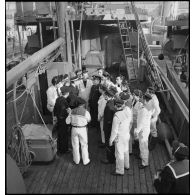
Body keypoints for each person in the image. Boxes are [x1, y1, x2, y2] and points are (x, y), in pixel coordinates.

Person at [109, 97, 133, 176]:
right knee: (126, 150)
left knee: (119, 153)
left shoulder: (116, 116)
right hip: (126, 134)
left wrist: (111, 140)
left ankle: (120, 170)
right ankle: (127, 165)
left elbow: (114, 130)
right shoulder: (127, 112)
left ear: (116, 106)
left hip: (120, 137)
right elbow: (130, 122)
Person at [66, 97, 91, 165]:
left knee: (75, 145)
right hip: (82, 129)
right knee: (84, 145)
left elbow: (67, 122)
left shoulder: (72, 111)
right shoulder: (86, 112)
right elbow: (89, 120)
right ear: (83, 104)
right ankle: (85, 161)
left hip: (74, 129)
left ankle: (76, 160)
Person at [134, 93, 154, 169]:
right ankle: (141, 156)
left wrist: (137, 131)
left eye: (142, 98)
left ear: (145, 100)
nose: (140, 99)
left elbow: (141, 122)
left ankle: (145, 163)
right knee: (142, 145)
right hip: (145, 129)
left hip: (143, 130)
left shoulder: (144, 110)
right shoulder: (148, 107)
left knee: (143, 146)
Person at [53, 86, 72, 155]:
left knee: (60, 135)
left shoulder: (58, 99)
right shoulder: (64, 101)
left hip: (59, 119)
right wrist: (68, 112)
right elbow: (63, 111)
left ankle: (59, 149)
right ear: (67, 93)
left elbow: (55, 108)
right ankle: (64, 150)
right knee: (64, 135)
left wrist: (55, 117)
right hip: (63, 120)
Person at [101, 88, 117, 164]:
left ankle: (109, 159)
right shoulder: (112, 103)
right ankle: (112, 158)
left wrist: (106, 128)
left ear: (108, 96)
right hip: (111, 127)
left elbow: (108, 119)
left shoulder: (108, 106)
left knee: (108, 144)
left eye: (105, 95)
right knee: (112, 144)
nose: (104, 96)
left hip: (108, 128)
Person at [146, 86, 161, 151]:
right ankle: (149, 140)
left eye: (147, 91)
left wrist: (153, 116)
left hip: (152, 118)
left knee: (153, 131)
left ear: (151, 93)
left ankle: (152, 145)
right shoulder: (151, 96)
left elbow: (158, 110)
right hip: (148, 116)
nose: (146, 92)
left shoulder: (154, 100)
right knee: (149, 129)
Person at [129, 89, 143, 154]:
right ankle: (134, 144)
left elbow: (140, 114)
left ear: (137, 96)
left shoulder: (140, 104)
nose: (133, 95)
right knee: (132, 133)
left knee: (137, 135)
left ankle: (138, 149)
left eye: (134, 95)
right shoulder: (133, 100)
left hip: (137, 121)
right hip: (133, 120)